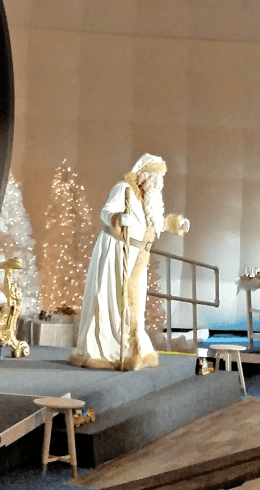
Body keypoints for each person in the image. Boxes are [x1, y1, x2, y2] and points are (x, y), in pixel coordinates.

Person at [69, 154, 190, 371]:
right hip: (117, 251)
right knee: (112, 299)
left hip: (138, 256)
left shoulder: (149, 198)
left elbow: (153, 223)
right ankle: (107, 349)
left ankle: (131, 348)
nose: (158, 181)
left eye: (160, 176)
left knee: (135, 304)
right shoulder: (123, 189)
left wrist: (174, 223)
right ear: (143, 175)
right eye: (154, 175)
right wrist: (117, 219)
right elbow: (106, 212)